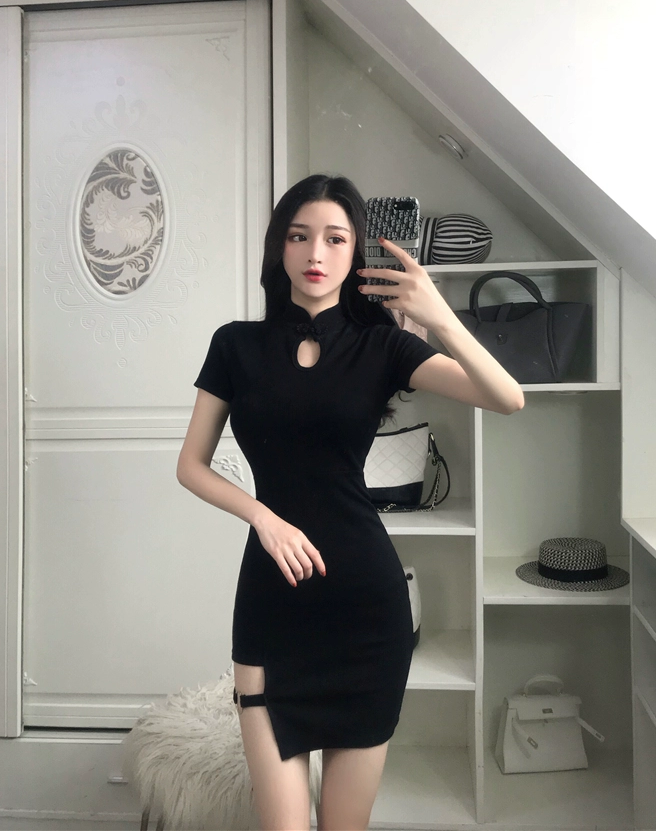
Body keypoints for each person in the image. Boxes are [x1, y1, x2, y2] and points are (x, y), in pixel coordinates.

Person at [177, 174, 524, 831]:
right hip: (272, 603)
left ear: (355, 251)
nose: (316, 252)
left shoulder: (383, 346)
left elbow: (508, 397)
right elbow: (190, 466)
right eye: (299, 235)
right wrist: (263, 517)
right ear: (279, 247)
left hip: (367, 613)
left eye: (335, 238)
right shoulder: (235, 345)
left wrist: (439, 316)